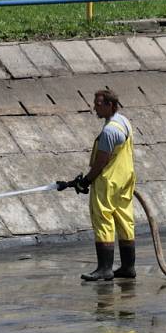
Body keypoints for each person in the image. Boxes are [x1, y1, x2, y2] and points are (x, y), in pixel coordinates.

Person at [58, 89, 136, 281]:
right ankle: (128, 267)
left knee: (103, 222)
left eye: (98, 104)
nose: (95, 107)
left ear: (110, 105)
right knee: (125, 221)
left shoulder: (109, 131)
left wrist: (85, 181)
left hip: (108, 182)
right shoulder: (123, 121)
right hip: (125, 180)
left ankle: (104, 269)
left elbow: (101, 162)